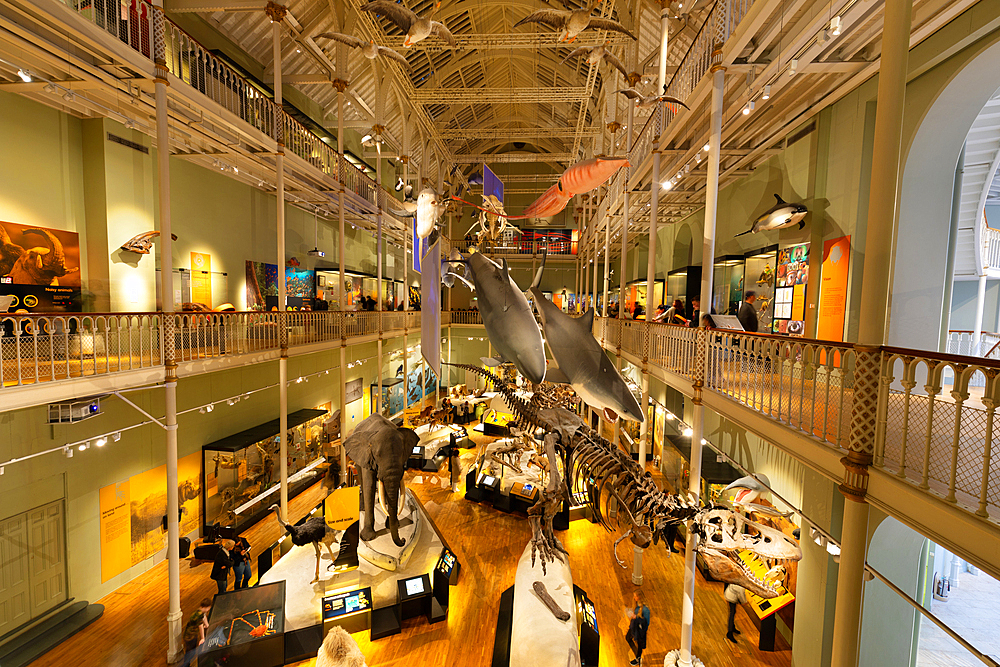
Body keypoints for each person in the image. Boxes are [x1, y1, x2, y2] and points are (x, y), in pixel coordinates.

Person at [180, 598, 212, 667]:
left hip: (190, 635)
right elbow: (200, 627)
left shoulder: (200, 612)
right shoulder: (198, 615)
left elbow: (204, 617)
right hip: (190, 636)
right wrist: (203, 638)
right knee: (190, 653)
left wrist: (207, 625)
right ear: (207, 607)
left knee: (190, 652)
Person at [626, 590, 651, 665]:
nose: (634, 597)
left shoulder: (645, 610)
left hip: (639, 630)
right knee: (628, 638)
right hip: (634, 627)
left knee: (639, 644)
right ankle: (637, 655)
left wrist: (636, 617)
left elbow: (646, 622)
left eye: (635, 596)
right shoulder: (636, 604)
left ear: (639, 597)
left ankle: (638, 658)